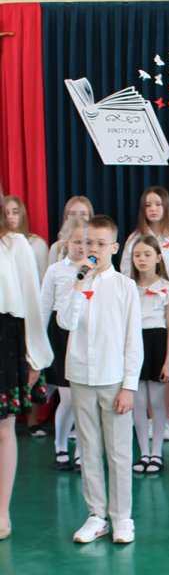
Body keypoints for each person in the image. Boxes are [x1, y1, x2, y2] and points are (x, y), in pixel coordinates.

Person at [57, 215, 143, 544]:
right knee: (88, 448)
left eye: (100, 244)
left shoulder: (125, 286)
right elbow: (65, 323)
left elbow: (133, 341)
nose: (93, 249)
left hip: (113, 379)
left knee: (119, 451)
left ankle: (122, 517)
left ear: (114, 247)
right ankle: (96, 515)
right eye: (87, 242)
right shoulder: (75, 282)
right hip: (81, 376)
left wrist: (129, 386)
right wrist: (79, 286)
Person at [121, 186, 169, 442]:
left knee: (168, 365)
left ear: (166, 206)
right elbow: (125, 273)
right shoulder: (134, 239)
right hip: (143, 309)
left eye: (158, 204)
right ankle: (149, 420)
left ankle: (168, 419)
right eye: (148, 205)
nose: (153, 209)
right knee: (145, 373)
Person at [0, 207, 53, 541]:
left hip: (4, 337)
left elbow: (31, 302)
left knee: (3, 428)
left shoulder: (15, 244)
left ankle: (1, 511)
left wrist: (35, 356)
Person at [40, 217, 87, 472]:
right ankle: (60, 446)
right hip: (60, 335)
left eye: (86, 242)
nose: (82, 247)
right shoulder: (56, 270)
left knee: (83, 399)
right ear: (67, 242)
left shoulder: (94, 269)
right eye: (77, 241)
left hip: (84, 333)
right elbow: (44, 307)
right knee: (67, 398)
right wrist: (39, 344)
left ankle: (81, 452)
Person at [129, 236, 169, 475]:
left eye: (147, 254)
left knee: (157, 402)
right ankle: (143, 452)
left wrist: (168, 362)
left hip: (157, 344)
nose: (142, 259)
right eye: (137, 255)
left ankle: (156, 452)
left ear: (158, 257)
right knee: (138, 402)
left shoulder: (168, 289)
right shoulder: (127, 287)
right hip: (134, 344)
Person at [2, 195, 49, 281]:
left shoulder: (37, 243)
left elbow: (44, 278)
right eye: (6, 214)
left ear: (22, 215)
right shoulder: (2, 244)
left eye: (15, 212)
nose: (10, 217)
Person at [48, 195, 94, 264]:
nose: (78, 217)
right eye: (72, 214)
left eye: (83, 214)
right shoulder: (56, 248)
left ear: (90, 217)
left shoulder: (96, 246)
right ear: (66, 217)